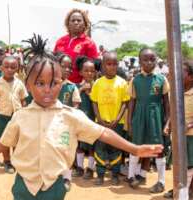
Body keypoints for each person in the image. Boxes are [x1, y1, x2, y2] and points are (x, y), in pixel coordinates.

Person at [0, 34, 163, 200]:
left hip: (55, 188)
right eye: (40, 83)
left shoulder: (71, 116)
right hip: (23, 187)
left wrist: (134, 149)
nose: (47, 90)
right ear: (28, 85)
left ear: (62, 83)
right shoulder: (21, 117)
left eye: (53, 83)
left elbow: (103, 132)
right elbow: (3, 143)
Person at [127, 48, 170, 193]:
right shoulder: (135, 80)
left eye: (152, 59)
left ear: (157, 60)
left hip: (155, 117)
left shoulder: (161, 79)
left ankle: (161, 181)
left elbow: (166, 103)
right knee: (136, 146)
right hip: (139, 116)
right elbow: (131, 102)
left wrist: (167, 121)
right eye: (145, 59)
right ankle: (131, 176)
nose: (149, 62)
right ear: (140, 62)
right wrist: (129, 122)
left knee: (158, 148)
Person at [90, 52, 130, 186]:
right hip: (101, 122)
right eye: (108, 64)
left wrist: (117, 119)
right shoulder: (97, 83)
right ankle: (100, 175)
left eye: (114, 64)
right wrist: (99, 119)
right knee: (100, 148)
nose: (111, 67)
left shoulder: (122, 83)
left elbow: (125, 102)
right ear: (102, 66)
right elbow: (94, 101)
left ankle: (114, 174)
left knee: (115, 148)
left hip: (117, 123)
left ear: (117, 65)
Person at [0, 56, 28, 173]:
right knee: (4, 140)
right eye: (6, 67)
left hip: (17, 116)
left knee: (17, 140)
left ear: (17, 69)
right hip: (3, 117)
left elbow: (23, 100)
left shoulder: (19, 83)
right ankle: (7, 161)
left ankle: (16, 161)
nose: (9, 69)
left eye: (13, 67)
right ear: (2, 68)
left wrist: (25, 115)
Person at [163, 60, 193, 199]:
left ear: (191, 77)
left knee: (190, 165)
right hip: (178, 135)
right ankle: (178, 188)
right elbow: (173, 111)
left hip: (190, 136)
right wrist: (168, 124)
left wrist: (188, 126)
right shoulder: (176, 92)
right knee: (178, 163)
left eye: (181, 72)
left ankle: (188, 190)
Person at [56, 53, 81, 190]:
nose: (67, 69)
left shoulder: (72, 87)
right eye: (63, 66)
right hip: (51, 123)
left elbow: (76, 105)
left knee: (67, 150)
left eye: (69, 67)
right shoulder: (51, 84)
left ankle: (67, 177)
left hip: (66, 124)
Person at [54, 9, 99, 84]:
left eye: (79, 20)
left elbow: (94, 69)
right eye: (73, 20)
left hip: (80, 86)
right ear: (68, 24)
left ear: (84, 24)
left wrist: (87, 84)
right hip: (59, 85)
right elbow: (54, 63)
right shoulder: (60, 41)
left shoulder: (89, 43)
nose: (76, 22)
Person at [73, 55, 97, 180]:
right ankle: (80, 167)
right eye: (86, 71)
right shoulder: (76, 87)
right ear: (81, 72)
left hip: (92, 120)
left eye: (92, 71)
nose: (89, 73)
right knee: (79, 145)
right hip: (79, 121)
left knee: (92, 145)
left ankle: (91, 168)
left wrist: (91, 93)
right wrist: (82, 89)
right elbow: (74, 102)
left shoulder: (97, 86)